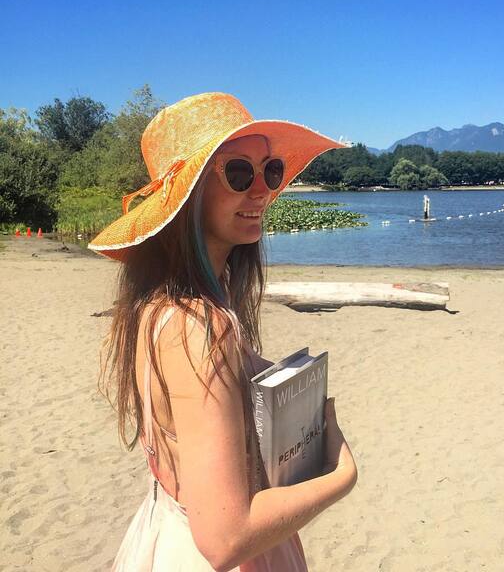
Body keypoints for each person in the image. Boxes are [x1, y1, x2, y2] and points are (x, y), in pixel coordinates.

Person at [89, 92, 358, 571]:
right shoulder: (199, 326)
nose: (262, 190)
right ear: (188, 194)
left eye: (270, 171)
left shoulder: (163, 303)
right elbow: (226, 537)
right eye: (238, 172)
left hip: (167, 527)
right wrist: (340, 475)